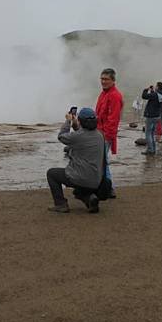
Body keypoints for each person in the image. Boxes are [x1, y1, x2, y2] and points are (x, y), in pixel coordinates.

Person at [47, 108, 105, 213]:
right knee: (78, 190)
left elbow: (61, 137)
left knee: (52, 173)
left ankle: (60, 204)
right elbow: (82, 135)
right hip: (96, 180)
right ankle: (90, 199)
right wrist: (75, 125)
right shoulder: (100, 135)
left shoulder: (79, 136)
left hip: (80, 177)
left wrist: (68, 121)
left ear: (81, 121)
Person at [94, 68, 123, 199]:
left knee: (102, 162)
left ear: (113, 80)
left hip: (105, 135)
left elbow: (113, 119)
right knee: (101, 161)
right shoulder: (104, 93)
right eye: (102, 79)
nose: (103, 81)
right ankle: (105, 187)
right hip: (99, 132)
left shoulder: (115, 96)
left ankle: (109, 188)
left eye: (106, 79)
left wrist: (107, 136)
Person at [141, 82, 162, 155]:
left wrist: (146, 90)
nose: (155, 87)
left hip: (150, 115)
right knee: (152, 133)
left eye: (156, 86)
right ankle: (153, 149)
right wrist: (152, 91)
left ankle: (150, 150)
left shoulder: (154, 95)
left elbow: (144, 96)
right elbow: (154, 97)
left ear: (157, 87)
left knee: (148, 133)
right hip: (157, 116)